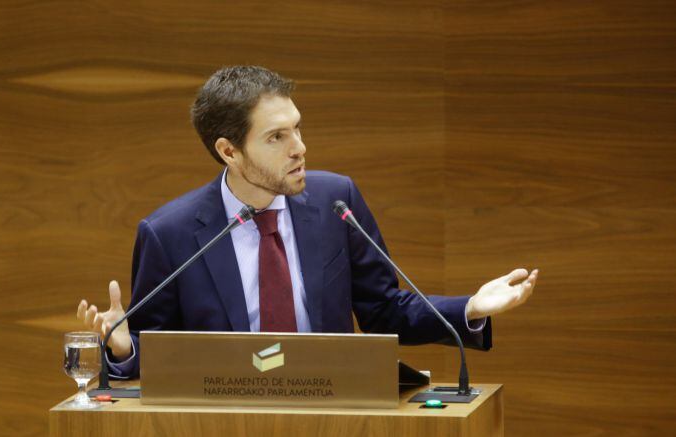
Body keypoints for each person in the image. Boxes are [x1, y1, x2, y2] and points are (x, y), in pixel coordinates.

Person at [76, 66, 538, 378]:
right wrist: (123, 348)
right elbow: (154, 359)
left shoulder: (337, 200)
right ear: (228, 151)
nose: (299, 147)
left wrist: (472, 307)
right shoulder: (171, 233)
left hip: (335, 408)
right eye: (277, 137)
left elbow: (384, 312)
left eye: (297, 127)